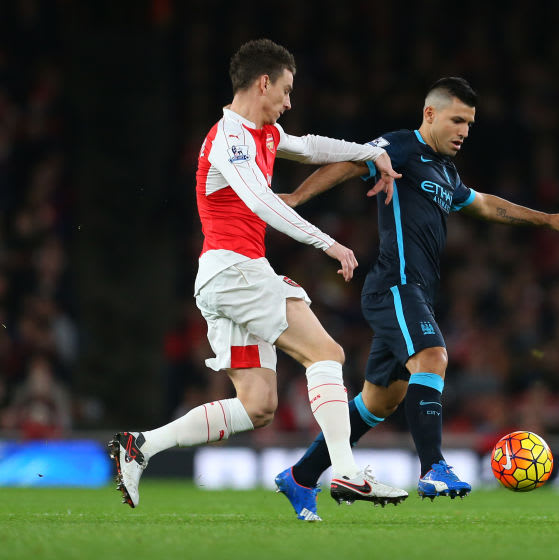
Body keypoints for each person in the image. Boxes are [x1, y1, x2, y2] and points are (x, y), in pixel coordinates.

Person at [108, 39, 408, 515]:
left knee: (257, 404)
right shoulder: (230, 139)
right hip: (235, 270)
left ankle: (140, 445)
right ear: (263, 83)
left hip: (225, 276)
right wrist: (327, 241)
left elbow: (309, 148)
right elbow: (263, 202)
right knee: (326, 352)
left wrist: (370, 152)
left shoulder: (264, 133)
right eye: (286, 91)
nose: (289, 102)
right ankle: (348, 472)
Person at [272, 77, 559, 521]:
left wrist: (546, 218)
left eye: (470, 124)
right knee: (433, 356)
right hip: (396, 285)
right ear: (431, 114)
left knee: (379, 402)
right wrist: (299, 197)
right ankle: (433, 467)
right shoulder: (398, 147)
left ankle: (300, 477)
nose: (464, 131)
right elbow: (349, 160)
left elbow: (485, 205)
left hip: (415, 291)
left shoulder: (446, 171)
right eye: (457, 120)